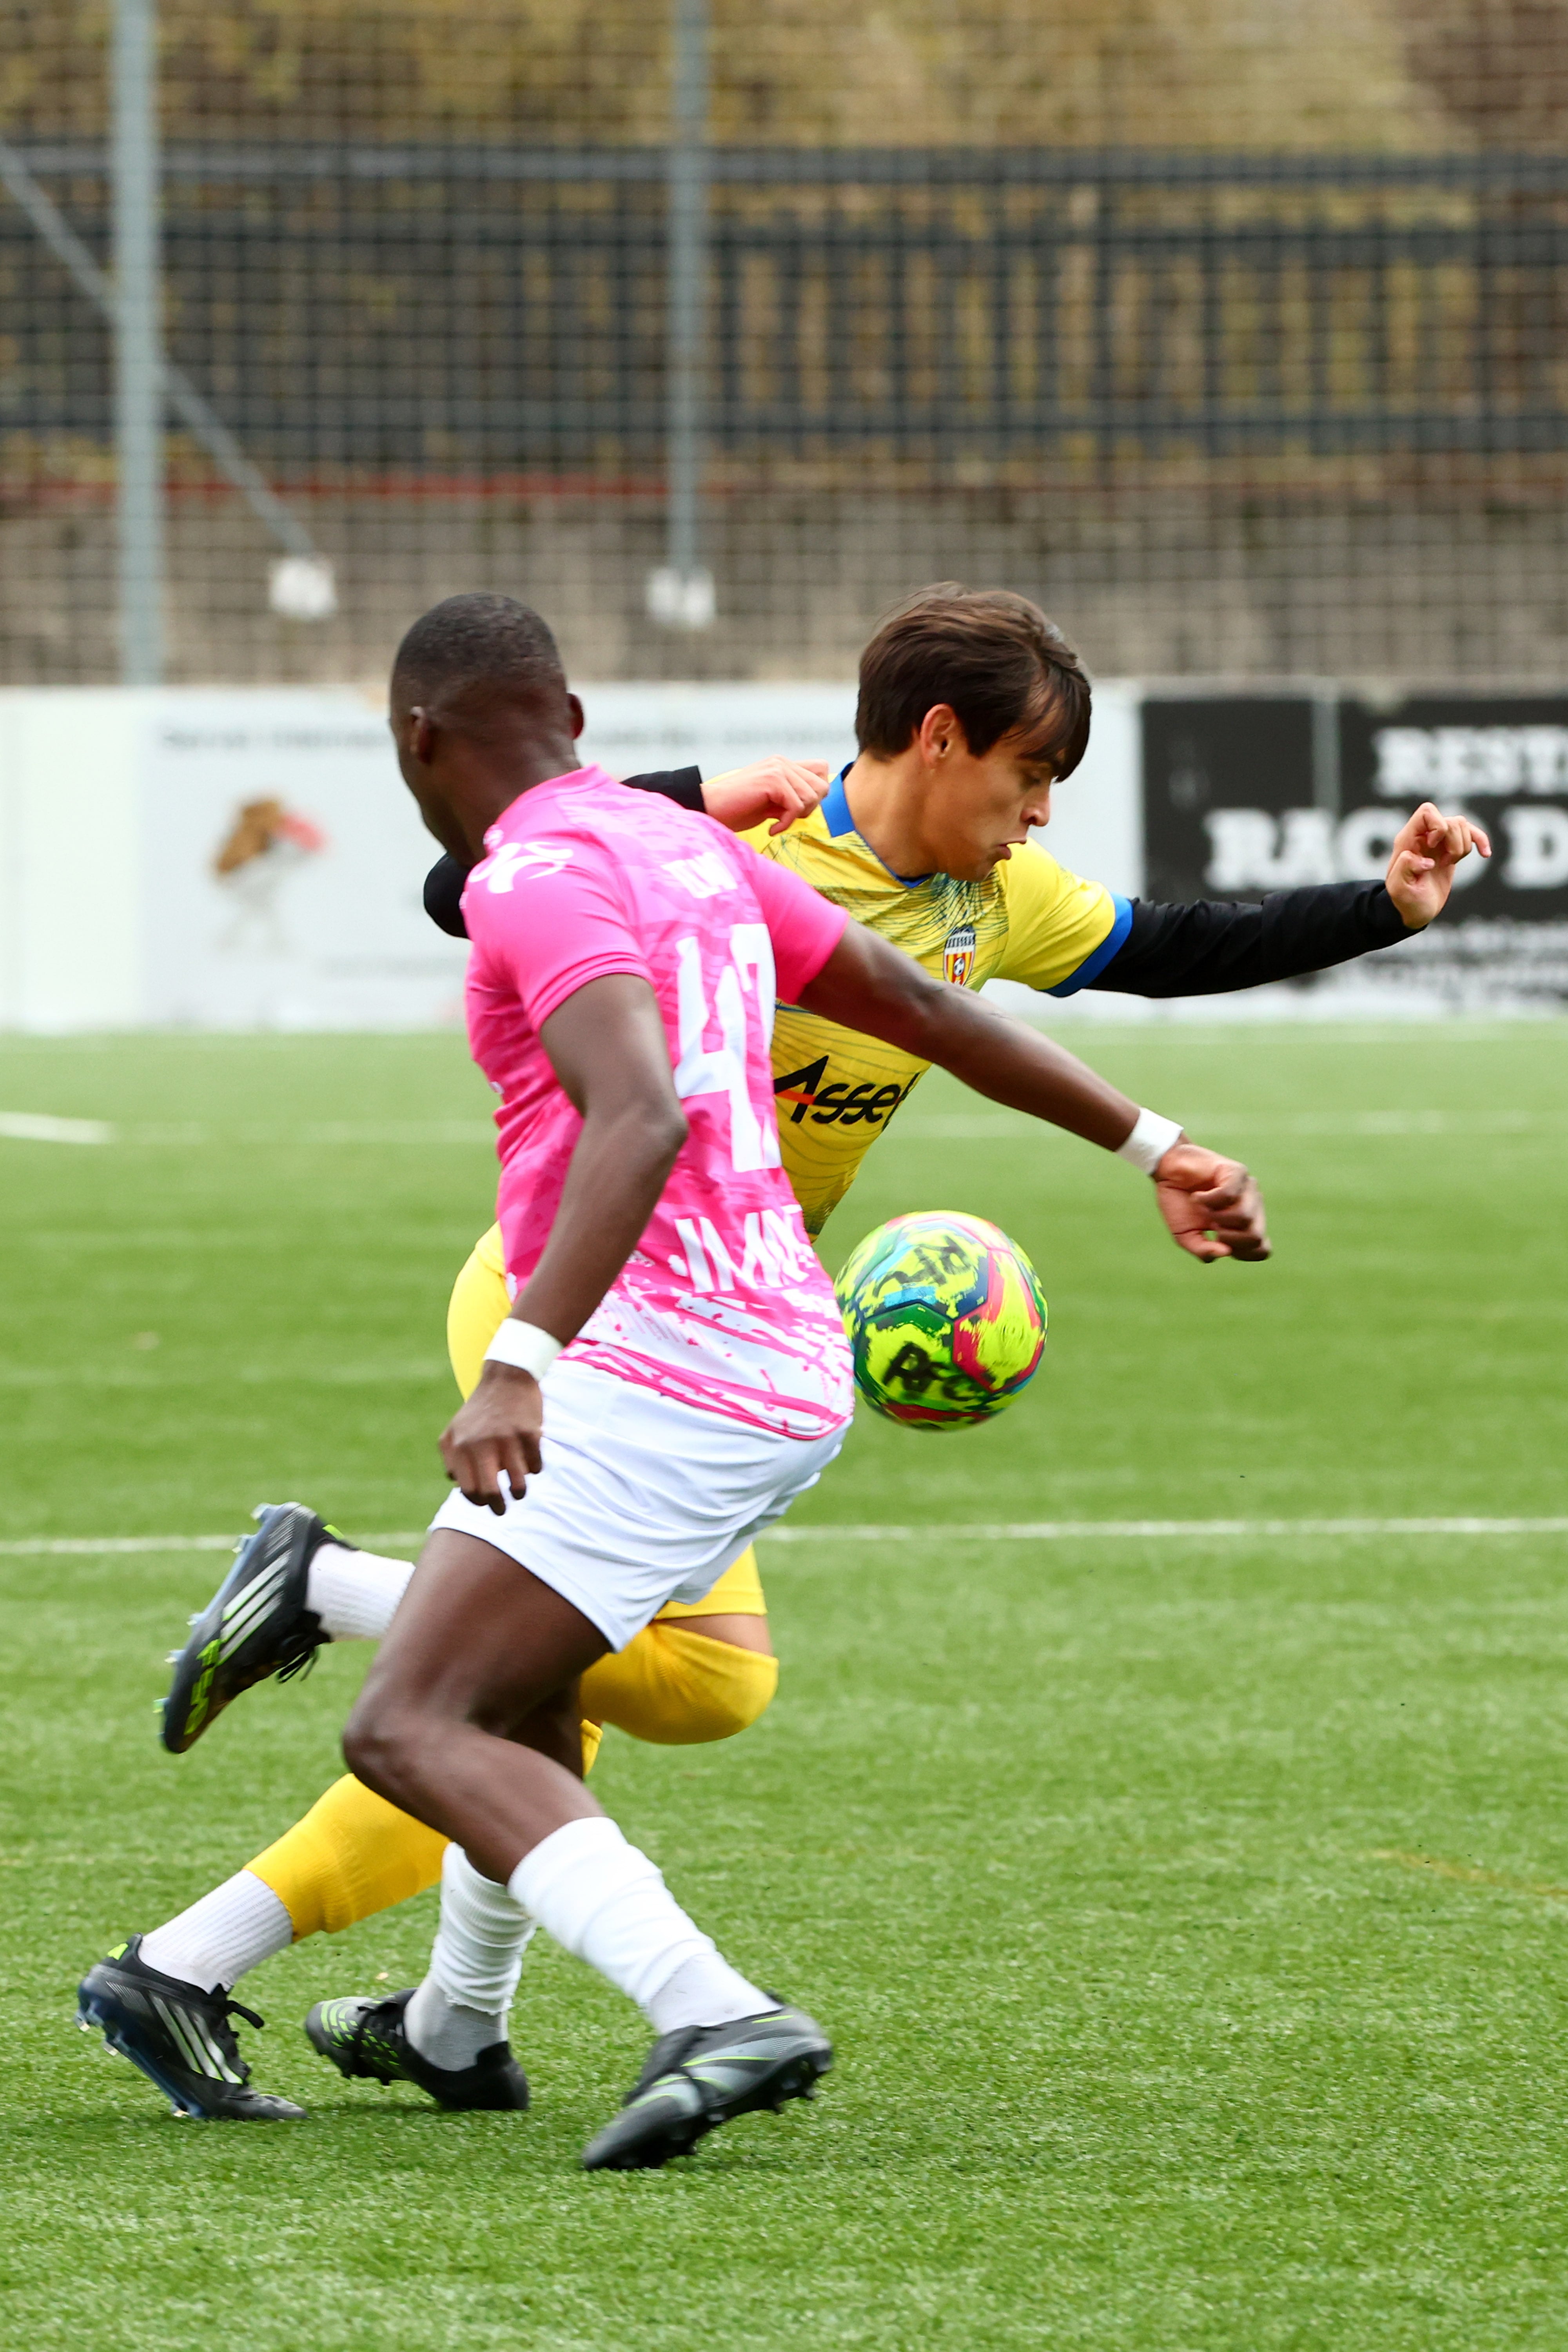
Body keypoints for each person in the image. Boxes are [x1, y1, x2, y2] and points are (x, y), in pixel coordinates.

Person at [78, 592, 1270, 2164]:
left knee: (416, 1726)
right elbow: (921, 1009)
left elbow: (635, 1113)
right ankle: (405, 2010)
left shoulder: (540, 873)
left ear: (416, 742)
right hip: (783, 1356)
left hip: (647, 1361)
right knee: (511, 1698)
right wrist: (1156, 1144)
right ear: (575, 721)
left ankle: (704, 2003)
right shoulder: (696, 854)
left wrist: (519, 1362)